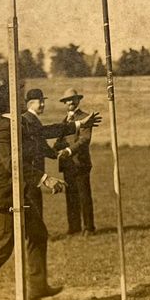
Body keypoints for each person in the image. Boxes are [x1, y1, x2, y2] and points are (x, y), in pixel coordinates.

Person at [0, 84, 101, 300]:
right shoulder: (3, 129)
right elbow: (12, 164)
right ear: (9, 103)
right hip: (4, 197)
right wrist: (45, 178)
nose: (22, 100)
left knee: (38, 234)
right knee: (2, 248)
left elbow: (44, 131)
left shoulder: (19, 124)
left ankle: (37, 286)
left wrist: (79, 124)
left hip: (19, 194)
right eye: (17, 98)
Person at [54, 88, 97, 235]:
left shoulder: (86, 117)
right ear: (64, 103)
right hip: (67, 165)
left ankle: (89, 228)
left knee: (84, 196)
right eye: (67, 100)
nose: (70, 102)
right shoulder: (64, 121)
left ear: (78, 100)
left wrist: (68, 151)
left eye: (73, 99)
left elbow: (85, 140)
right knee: (70, 196)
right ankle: (74, 228)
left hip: (80, 163)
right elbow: (59, 141)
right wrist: (55, 148)